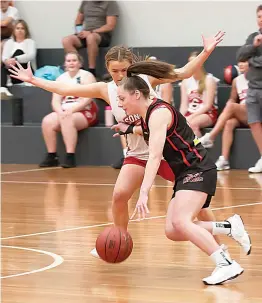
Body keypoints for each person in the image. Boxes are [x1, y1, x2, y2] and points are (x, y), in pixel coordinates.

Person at [9, 31, 227, 253]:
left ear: (131, 66)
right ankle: (118, 239)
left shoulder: (144, 80)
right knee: (119, 195)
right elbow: (64, 88)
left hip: (163, 153)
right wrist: (33, 80)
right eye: (115, 71)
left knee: (197, 206)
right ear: (107, 69)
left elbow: (184, 72)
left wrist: (206, 51)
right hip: (136, 153)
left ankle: (220, 245)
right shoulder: (106, 89)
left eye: (124, 70)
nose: (121, 75)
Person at [115, 61, 251, 285]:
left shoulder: (158, 113)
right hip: (186, 173)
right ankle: (229, 227)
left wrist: (144, 192)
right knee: (173, 230)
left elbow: (155, 156)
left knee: (180, 222)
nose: (120, 104)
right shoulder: (150, 113)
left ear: (137, 94)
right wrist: (128, 128)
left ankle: (225, 263)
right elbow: (151, 133)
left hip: (197, 169)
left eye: (122, 98)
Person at [39, 52, 98, 168]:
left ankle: (70, 155)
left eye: (74, 60)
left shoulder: (87, 76)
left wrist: (72, 110)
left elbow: (89, 98)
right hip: (65, 110)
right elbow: (55, 100)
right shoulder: (61, 78)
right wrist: (59, 111)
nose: (71, 63)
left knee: (67, 118)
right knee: (47, 121)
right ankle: (52, 155)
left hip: (85, 110)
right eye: (68, 61)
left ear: (80, 63)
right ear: (65, 64)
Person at [200, 60, 249, 170]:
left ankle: (211, 136)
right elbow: (232, 98)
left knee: (231, 106)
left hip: (255, 113)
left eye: (244, 61)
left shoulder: (257, 78)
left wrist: (231, 106)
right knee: (229, 123)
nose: (241, 64)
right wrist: (229, 103)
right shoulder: (236, 81)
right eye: (240, 61)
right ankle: (224, 160)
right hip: (243, 114)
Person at [62, 1, 119, 77]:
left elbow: (110, 25)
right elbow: (78, 20)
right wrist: (79, 32)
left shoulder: (110, 3)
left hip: (102, 35)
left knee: (91, 37)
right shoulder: (85, 2)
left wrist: (91, 32)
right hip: (86, 33)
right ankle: (80, 69)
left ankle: (92, 71)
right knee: (66, 40)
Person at [236, 4, 262, 173]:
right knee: (254, 122)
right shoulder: (253, 37)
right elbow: (240, 57)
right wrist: (253, 46)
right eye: (259, 16)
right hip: (253, 89)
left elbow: (250, 61)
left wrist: (252, 61)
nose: (261, 19)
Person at [180, 51, 218, 138]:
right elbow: (184, 106)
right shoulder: (185, 81)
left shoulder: (209, 80)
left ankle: (198, 149)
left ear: (200, 63)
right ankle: (191, 148)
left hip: (208, 113)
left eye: (193, 62)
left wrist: (190, 117)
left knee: (192, 124)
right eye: (189, 63)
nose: (190, 65)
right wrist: (180, 118)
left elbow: (207, 106)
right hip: (191, 113)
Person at [1, 19, 36, 90]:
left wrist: (16, 59)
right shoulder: (9, 42)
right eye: (17, 28)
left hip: (25, 72)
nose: (20, 30)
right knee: (2, 65)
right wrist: (7, 61)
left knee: (18, 52)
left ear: (26, 31)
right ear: (14, 30)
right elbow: (4, 57)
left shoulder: (30, 42)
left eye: (22, 28)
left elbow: (31, 56)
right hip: (12, 72)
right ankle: (3, 88)